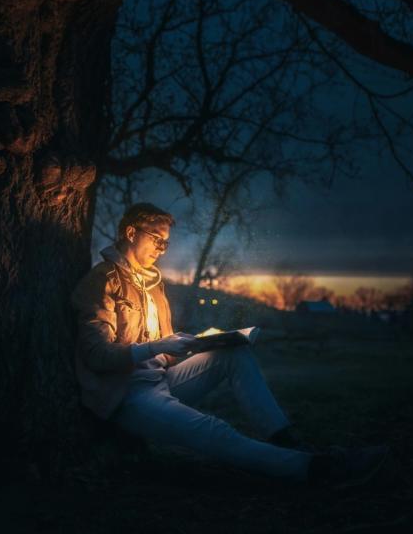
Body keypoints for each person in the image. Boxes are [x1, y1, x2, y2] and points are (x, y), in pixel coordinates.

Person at [71, 202, 389, 486]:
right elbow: (96, 355)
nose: (163, 249)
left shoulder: (154, 285)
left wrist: (197, 343)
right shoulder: (103, 281)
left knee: (234, 353)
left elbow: (162, 352)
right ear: (131, 233)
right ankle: (316, 470)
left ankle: (289, 443)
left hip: (161, 380)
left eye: (166, 242)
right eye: (157, 239)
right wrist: (157, 347)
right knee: (213, 429)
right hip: (126, 395)